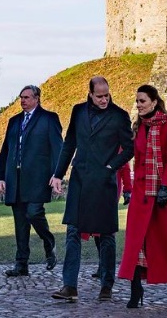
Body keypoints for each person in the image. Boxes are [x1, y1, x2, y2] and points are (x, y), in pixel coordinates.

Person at [50, 76, 134, 302]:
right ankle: (70, 286)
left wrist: (111, 167)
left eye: (106, 95)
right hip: (79, 180)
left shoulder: (119, 116)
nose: (104, 99)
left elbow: (129, 149)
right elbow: (69, 144)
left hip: (105, 183)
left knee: (106, 235)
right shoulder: (78, 112)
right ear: (90, 94)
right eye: (99, 96)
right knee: (73, 231)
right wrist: (58, 174)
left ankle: (106, 286)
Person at [118, 84, 167, 308]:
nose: (138, 105)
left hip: (163, 190)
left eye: (142, 101)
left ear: (153, 101)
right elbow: (138, 160)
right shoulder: (139, 126)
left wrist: (165, 187)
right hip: (142, 191)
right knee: (136, 240)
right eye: (137, 101)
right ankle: (135, 290)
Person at [0, 84, 63, 277]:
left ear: (36, 98)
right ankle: (21, 264)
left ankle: (48, 242)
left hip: (38, 178)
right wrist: (0, 176)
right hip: (14, 179)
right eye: (21, 98)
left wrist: (57, 174)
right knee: (20, 222)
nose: (23, 101)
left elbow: (58, 148)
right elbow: (5, 150)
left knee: (34, 213)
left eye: (26, 97)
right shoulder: (14, 121)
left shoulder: (49, 119)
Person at [90, 160, 132, 279]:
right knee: (96, 228)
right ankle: (102, 262)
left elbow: (125, 168)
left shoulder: (118, 145)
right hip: (95, 188)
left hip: (112, 188)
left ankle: (106, 266)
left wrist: (127, 190)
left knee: (106, 228)